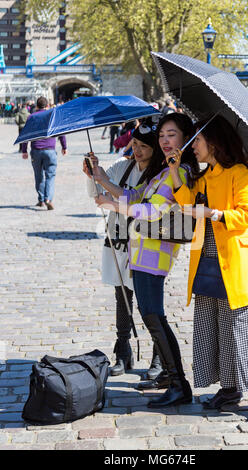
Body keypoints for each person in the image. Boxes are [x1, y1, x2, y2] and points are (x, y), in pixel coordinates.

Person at [89, 113, 200, 407]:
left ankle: (178, 383)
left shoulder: (181, 172)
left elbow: (152, 212)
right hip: (141, 253)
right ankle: (170, 377)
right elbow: (136, 195)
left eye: (171, 135)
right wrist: (101, 179)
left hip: (154, 255)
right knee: (152, 316)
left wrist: (113, 204)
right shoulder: (164, 169)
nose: (165, 140)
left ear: (185, 138)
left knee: (154, 316)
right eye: (162, 135)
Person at [168, 115, 248, 421]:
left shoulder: (238, 173)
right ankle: (229, 389)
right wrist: (174, 171)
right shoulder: (204, 176)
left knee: (243, 331)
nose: (193, 146)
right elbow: (185, 202)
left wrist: (214, 213)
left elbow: (247, 215)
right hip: (206, 263)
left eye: (196, 140)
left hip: (234, 265)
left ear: (213, 142)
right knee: (215, 330)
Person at [83, 118, 163, 380]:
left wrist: (105, 185)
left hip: (145, 244)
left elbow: (133, 202)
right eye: (135, 144)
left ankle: (159, 355)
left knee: (149, 303)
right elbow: (97, 197)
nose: (137, 150)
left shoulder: (159, 175)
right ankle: (123, 351)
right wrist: (92, 175)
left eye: (144, 146)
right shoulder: (122, 167)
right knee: (122, 298)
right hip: (118, 240)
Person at [21, 96, 67, 210]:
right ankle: (48, 199)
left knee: (39, 176)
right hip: (50, 150)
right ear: (47, 106)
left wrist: (24, 150)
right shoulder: (52, 115)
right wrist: (64, 146)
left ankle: (41, 199)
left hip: (36, 150)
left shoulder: (31, 117)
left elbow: (25, 134)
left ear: (36, 106)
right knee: (50, 176)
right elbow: (61, 132)